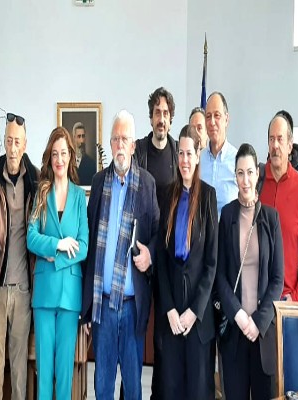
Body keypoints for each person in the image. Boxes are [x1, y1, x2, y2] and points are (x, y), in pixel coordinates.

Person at [82, 110, 159, 400]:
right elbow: (90, 242)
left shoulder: (147, 184)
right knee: (102, 386)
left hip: (131, 307)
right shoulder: (99, 182)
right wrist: (87, 307)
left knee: (133, 387)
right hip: (102, 306)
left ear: (133, 145)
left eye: (125, 139)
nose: (119, 145)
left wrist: (150, 254)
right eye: (115, 139)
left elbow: (157, 235)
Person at [216, 143, 284, 400]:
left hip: (262, 333)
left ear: (258, 173)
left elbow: (277, 278)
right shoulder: (227, 215)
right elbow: (220, 275)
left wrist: (258, 321)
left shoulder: (271, 218)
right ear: (235, 176)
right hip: (235, 331)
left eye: (250, 172)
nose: (245, 180)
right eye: (240, 173)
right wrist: (239, 315)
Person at [27, 126, 89, 400]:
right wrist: (56, 244)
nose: (59, 159)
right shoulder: (41, 193)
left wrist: (55, 256)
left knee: (64, 372)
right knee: (44, 370)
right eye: (55, 154)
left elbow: (84, 246)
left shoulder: (79, 197)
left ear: (70, 156)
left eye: (63, 153)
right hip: (44, 294)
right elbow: (31, 237)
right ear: (49, 158)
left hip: (70, 295)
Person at [156, 127, 218, 398]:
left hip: (198, 318)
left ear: (198, 155)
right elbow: (161, 258)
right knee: (171, 390)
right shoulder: (166, 194)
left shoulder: (208, 196)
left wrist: (194, 311)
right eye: (180, 153)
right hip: (171, 317)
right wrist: (169, 308)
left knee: (198, 391)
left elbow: (212, 263)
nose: (184, 160)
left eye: (189, 153)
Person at [0, 112, 39, 400]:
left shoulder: (36, 183)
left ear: (25, 144)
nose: (13, 147)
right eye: (9, 141)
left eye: (17, 141)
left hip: (24, 291)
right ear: (4, 143)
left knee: (19, 373)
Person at [134, 87, 178, 400]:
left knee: (162, 337)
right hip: (140, 254)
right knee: (136, 331)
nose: (161, 118)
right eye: (157, 113)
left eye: (165, 113)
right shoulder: (138, 151)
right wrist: (145, 249)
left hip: (166, 256)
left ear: (170, 119)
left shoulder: (178, 154)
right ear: (150, 117)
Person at [259, 112, 298, 302]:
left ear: (290, 145)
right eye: (271, 139)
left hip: (287, 300)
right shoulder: (256, 183)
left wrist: (297, 299)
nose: (275, 145)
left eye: (280, 139)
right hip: (255, 298)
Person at [200, 92, 238, 217]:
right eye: (208, 116)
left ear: (226, 119)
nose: (212, 122)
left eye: (217, 115)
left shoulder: (237, 160)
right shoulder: (198, 160)